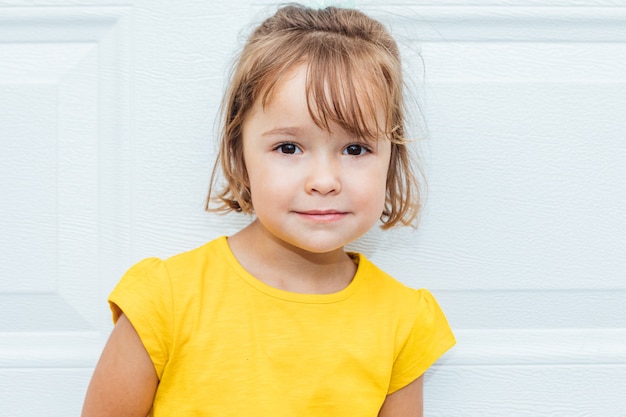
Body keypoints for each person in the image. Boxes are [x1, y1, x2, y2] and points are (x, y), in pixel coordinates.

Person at [81, 3, 455, 416]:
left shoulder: (403, 321)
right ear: (239, 157)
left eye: (355, 148)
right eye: (288, 147)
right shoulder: (164, 300)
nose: (324, 180)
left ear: (391, 161)